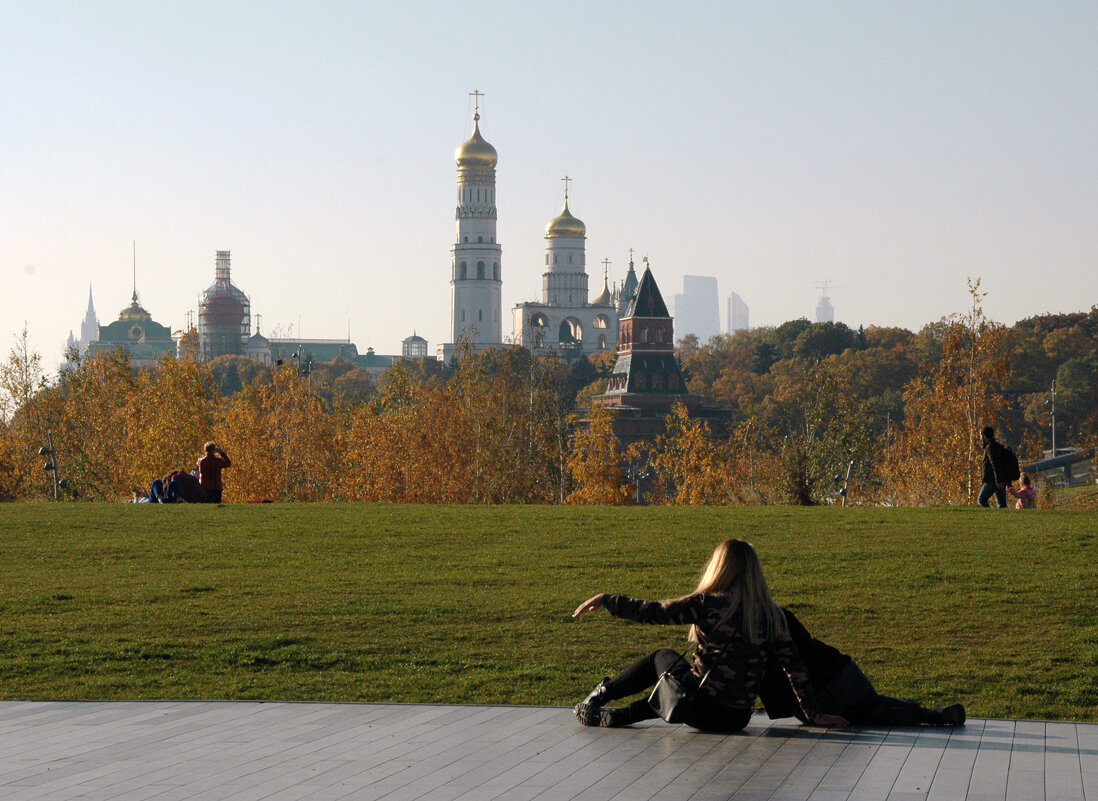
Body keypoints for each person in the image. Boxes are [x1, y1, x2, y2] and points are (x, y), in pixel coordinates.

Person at [571, 539, 847, 731]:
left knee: (662, 658)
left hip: (699, 710)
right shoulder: (772, 615)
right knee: (683, 685)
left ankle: (600, 696)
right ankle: (621, 716)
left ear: (720, 568)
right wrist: (815, 714)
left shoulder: (709, 605)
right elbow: (795, 669)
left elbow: (653, 612)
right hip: (737, 718)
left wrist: (608, 599)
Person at [758, 607, 965, 726]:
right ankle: (930, 714)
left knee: (865, 712)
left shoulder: (741, 620)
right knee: (872, 705)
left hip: (815, 694)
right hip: (841, 668)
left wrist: (813, 712)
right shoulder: (777, 611)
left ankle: (928, 715)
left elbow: (792, 669)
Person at [977, 426, 1011, 508]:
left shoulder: (990, 447)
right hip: (1000, 478)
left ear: (983, 435)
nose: (980, 438)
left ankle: (988, 517)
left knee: (981, 499)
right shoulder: (997, 446)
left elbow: (995, 464)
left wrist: (998, 481)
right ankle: (1003, 519)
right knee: (1002, 503)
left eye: (980, 436)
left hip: (993, 480)